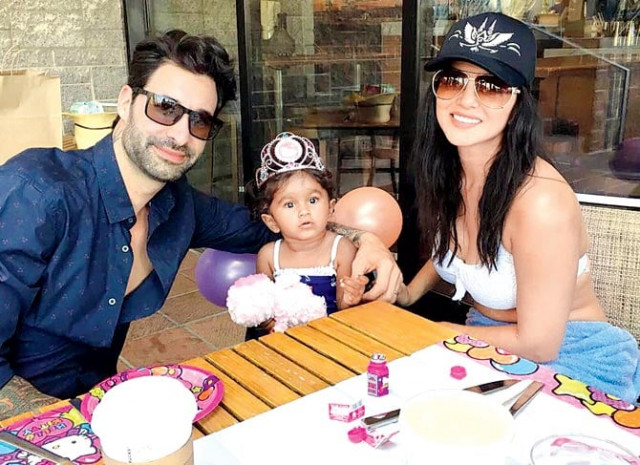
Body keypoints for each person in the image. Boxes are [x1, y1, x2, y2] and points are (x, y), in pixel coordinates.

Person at [0, 30, 402, 418]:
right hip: (28, 429)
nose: (180, 135)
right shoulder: (38, 193)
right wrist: (65, 425)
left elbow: (274, 227)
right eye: (165, 107)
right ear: (125, 101)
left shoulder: (178, 206)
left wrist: (364, 239)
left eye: (201, 121)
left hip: (102, 410)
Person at [394, 12, 640, 403]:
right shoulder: (451, 171)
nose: (466, 99)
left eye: (491, 86)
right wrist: (407, 293)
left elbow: (540, 343)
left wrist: (438, 332)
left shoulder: (540, 202)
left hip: (571, 358)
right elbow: (454, 253)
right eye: (453, 80)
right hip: (485, 342)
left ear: (518, 102)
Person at [245, 132, 368, 338]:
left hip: (330, 338)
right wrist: (271, 325)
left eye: (312, 200)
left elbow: (343, 308)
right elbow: (263, 307)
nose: (304, 211)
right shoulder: (268, 256)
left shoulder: (341, 249)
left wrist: (351, 298)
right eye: (289, 204)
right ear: (271, 222)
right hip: (285, 341)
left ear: (331, 208)